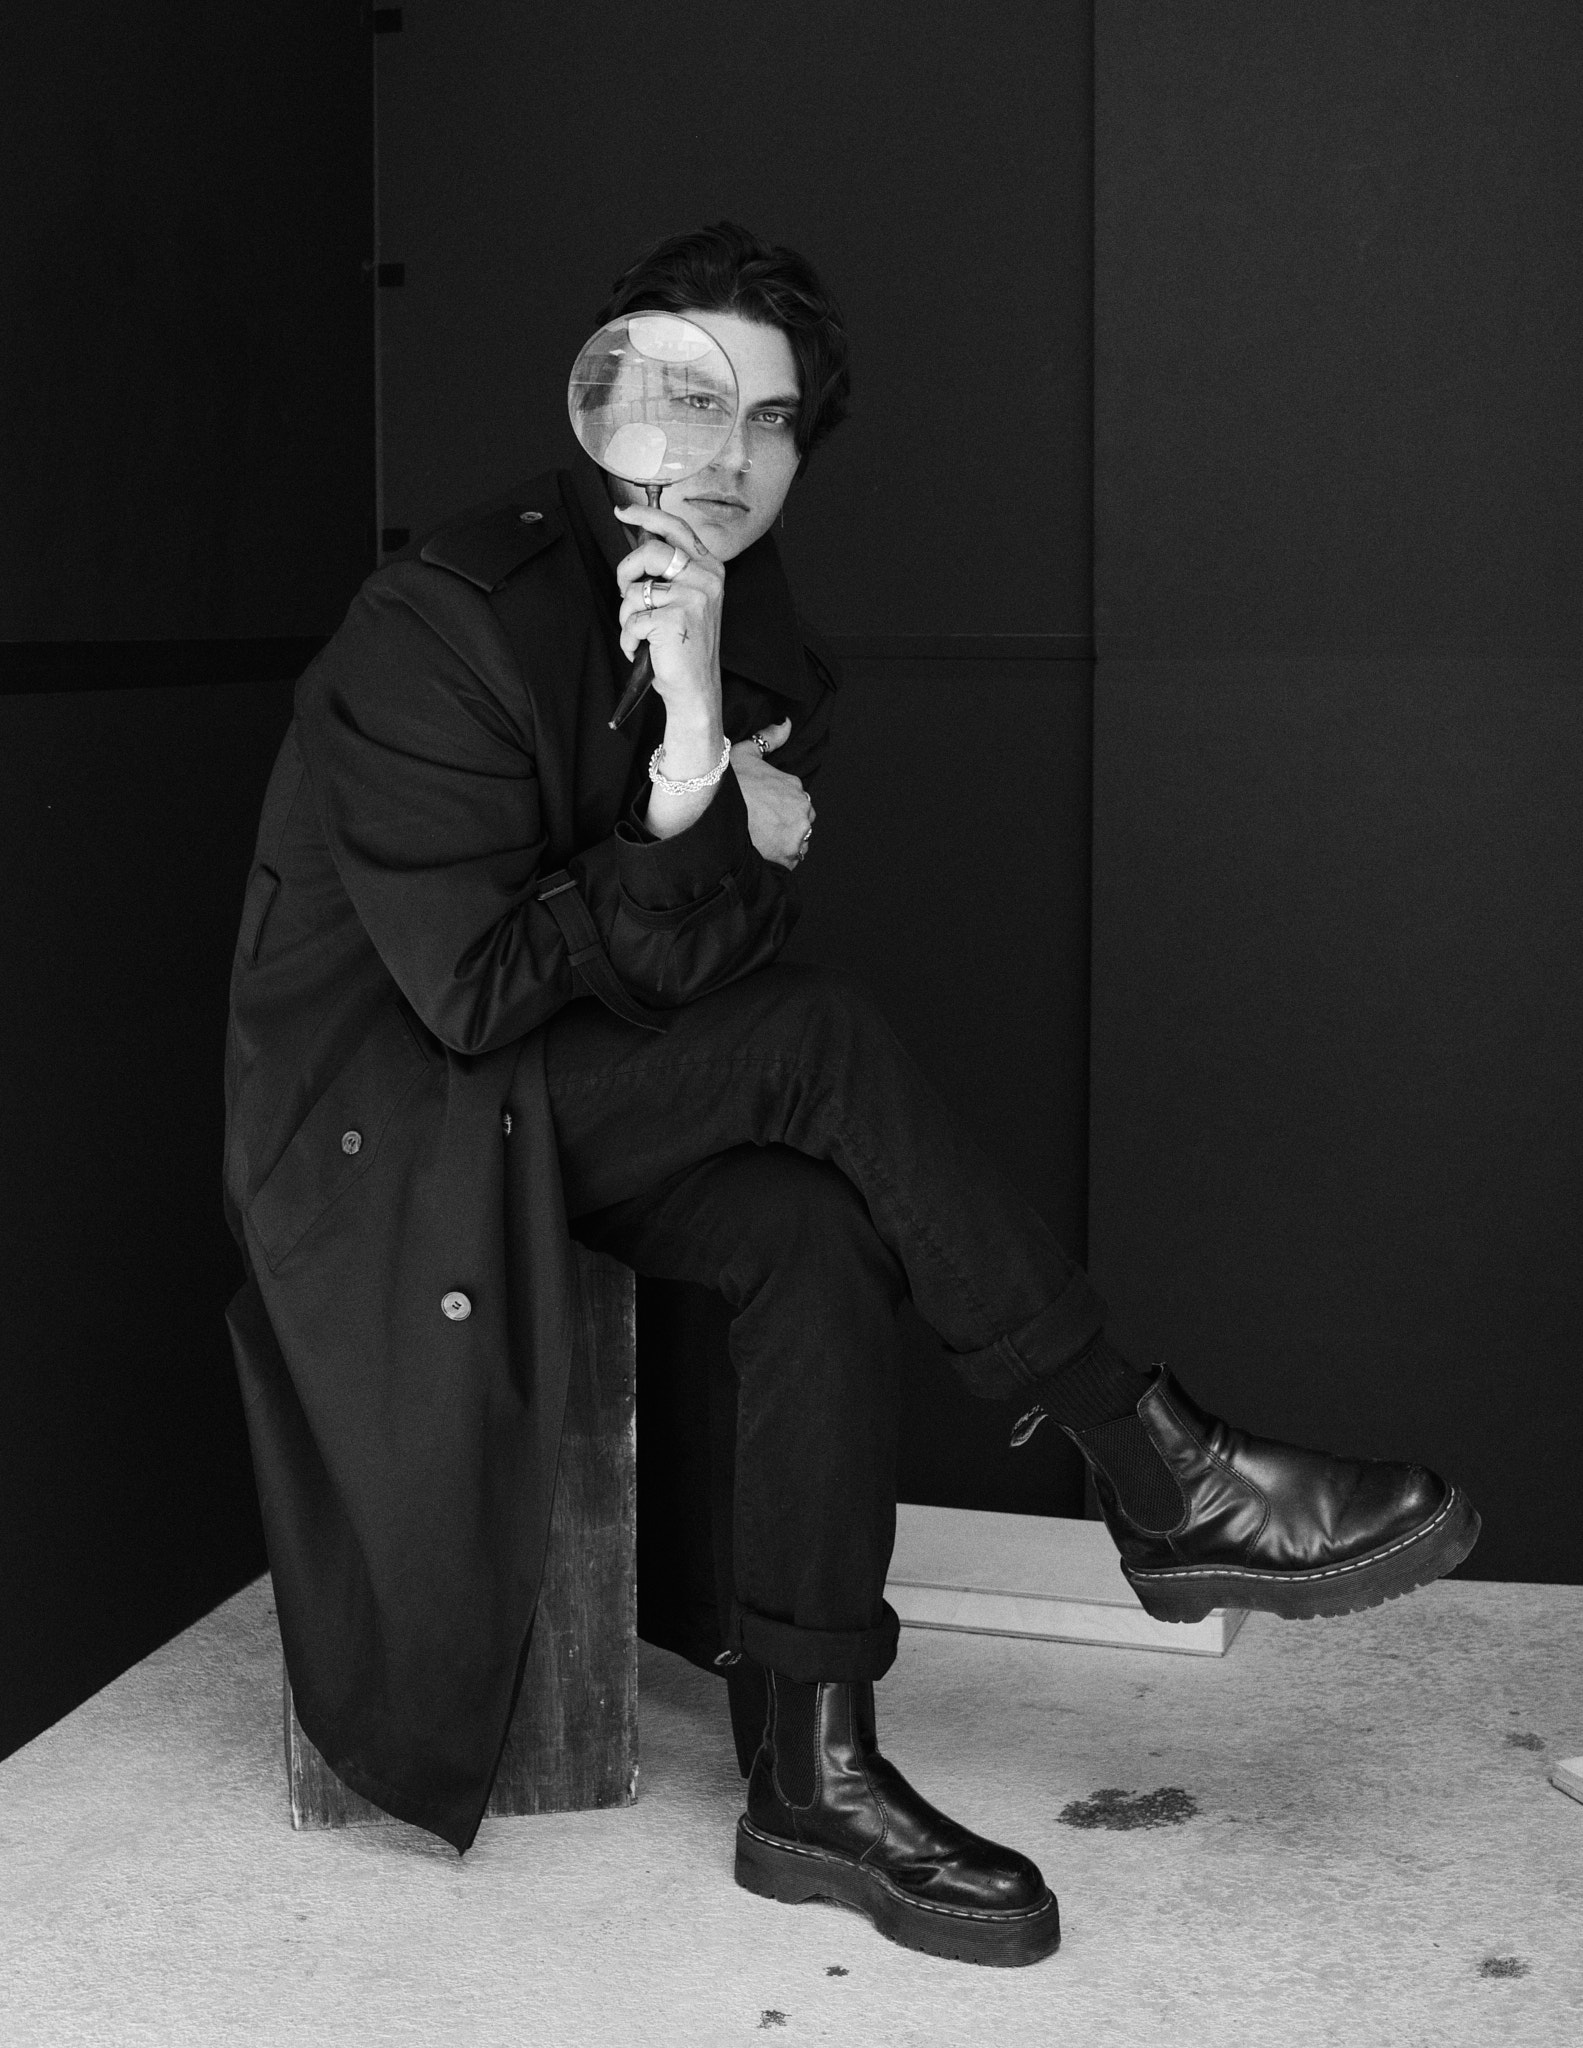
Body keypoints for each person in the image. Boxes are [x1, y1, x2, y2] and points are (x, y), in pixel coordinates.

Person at [222, 221, 1479, 1969]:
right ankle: (1155, 1461)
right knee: (813, 1043)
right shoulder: (441, 619)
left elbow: (710, 961)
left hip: (556, 1096)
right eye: (694, 404)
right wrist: (689, 785)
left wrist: (702, 729)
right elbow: (473, 992)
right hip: (393, 1125)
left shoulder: (755, 633)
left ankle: (812, 1778)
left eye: (775, 421)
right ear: (611, 402)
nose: (732, 456)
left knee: (813, 1227)